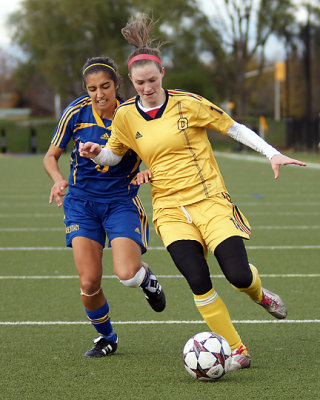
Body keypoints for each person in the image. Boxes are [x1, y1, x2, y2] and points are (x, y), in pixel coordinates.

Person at [79, 15, 307, 371]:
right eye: (139, 83)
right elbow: (115, 153)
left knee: (237, 276)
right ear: (131, 82)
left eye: (152, 80)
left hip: (211, 201)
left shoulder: (188, 103)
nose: (146, 88)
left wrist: (271, 153)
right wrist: (98, 154)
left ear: (162, 74)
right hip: (170, 210)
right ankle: (237, 349)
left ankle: (260, 294)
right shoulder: (124, 115)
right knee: (198, 280)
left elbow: (234, 128)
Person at [43, 56, 166, 358]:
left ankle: (146, 278)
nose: (99, 94)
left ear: (117, 85)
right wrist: (58, 180)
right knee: (89, 280)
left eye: (106, 87)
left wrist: (147, 170)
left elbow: (159, 151)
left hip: (121, 202)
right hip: (81, 204)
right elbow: (51, 156)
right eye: (92, 89)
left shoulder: (133, 115)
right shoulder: (75, 111)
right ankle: (106, 338)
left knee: (127, 275)